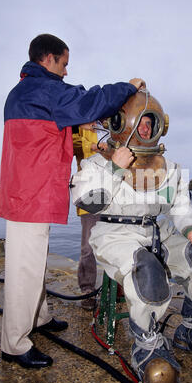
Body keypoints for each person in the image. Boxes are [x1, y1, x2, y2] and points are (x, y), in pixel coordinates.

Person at [70, 90, 192, 383]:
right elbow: (86, 202)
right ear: (120, 123)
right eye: (139, 122)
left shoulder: (169, 168)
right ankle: (146, 344)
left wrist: (191, 230)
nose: (144, 129)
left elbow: (181, 207)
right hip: (115, 236)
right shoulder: (97, 164)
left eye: (150, 123)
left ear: (160, 126)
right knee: (146, 270)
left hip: (158, 231)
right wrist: (116, 168)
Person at [0, 33, 145, 369]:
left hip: (30, 193)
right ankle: (14, 344)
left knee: (35, 265)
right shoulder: (44, 89)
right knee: (24, 270)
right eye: (64, 63)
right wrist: (128, 86)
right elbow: (88, 100)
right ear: (48, 59)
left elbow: (69, 117)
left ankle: (38, 318)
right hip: (29, 197)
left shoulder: (28, 90)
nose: (66, 70)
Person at [72, 122, 108, 310]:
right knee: (88, 247)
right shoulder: (78, 128)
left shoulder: (113, 127)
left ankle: (117, 288)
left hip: (115, 193)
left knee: (120, 241)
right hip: (90, 196)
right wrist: (93, 146)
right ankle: (87, 291)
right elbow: (70, 145)